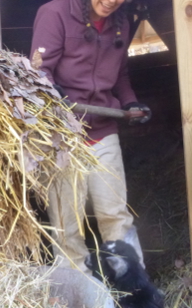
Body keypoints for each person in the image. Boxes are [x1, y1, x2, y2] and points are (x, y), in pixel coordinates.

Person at [31, 0, 151, 273]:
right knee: (66, 222)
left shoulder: (121, 21)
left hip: (103, 129)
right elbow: (39, 71)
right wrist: (53, 94)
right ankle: (81, 296)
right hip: (62, 134)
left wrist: (130, 103)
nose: (112, 1)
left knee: (115, 215)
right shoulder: (55, 13)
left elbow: (120, 75)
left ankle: (133, 291)